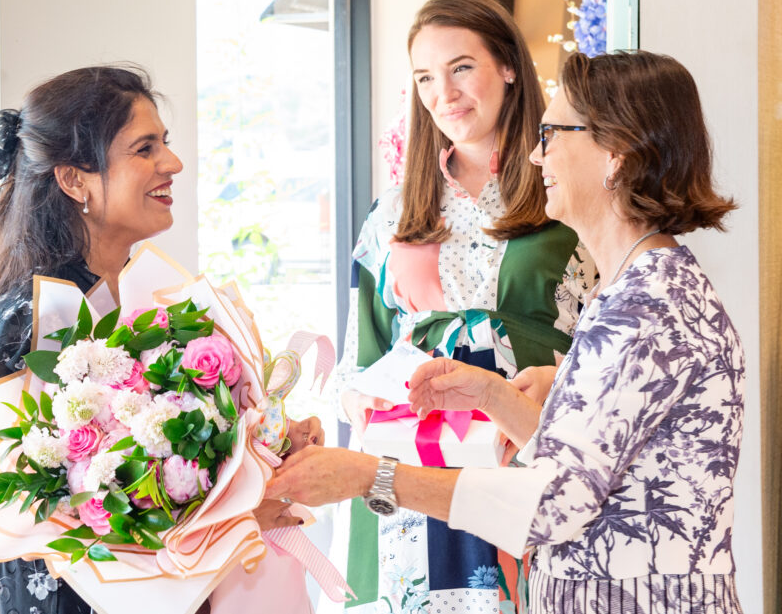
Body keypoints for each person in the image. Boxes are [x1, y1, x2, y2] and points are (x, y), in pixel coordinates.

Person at [269, 50, 745, 614]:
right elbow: (594, 464)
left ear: (614, 154)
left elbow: (552, 501)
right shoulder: (644, 286)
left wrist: (373, 476)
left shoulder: (642, 307)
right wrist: (492, 394)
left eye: (553, 133)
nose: (536, 153)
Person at [0, 66, 320, 614]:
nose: (172, 163)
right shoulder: (28, 318)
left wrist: (265, 448)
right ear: (75, 179)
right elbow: (31, 500)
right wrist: (234, 518)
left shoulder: (147, 296)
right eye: (144, 148)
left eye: (164, 143)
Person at [329, 0, 594, 614]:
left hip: (527, 455)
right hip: (414, 459)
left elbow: (607, 340)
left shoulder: (569, 195)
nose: (443, 94)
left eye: (461, 68)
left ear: (507, 65)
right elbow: (357, 355)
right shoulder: (393, 210)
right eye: (425, 76)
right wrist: (361, 397)